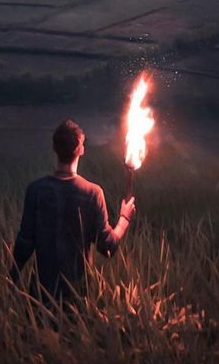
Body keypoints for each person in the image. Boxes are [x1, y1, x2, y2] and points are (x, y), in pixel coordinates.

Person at [10, 118, 135, 304]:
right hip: (77, 297)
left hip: (40, 295)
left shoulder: (36, 190)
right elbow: (107, 246)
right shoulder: (93, 193)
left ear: (54, 147)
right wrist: (124, 219)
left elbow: (24, 244)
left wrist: (9, 280)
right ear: (80, 149)